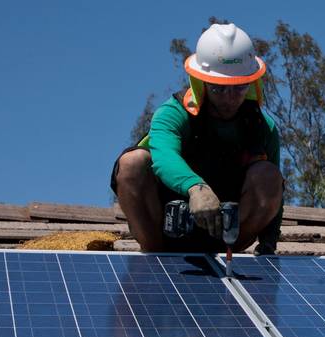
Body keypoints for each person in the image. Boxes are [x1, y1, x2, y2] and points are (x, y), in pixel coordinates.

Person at [111, 23, 282, 255]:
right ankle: (154, 254)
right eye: (219, 89)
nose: (230, 98)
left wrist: (269, 241)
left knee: (269, 175)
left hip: (227, 234)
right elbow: (164, 157)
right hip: (165, 229)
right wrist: (196, 188)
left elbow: (275, 191)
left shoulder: (263, 128)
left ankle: (225, 252)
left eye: (239, 88)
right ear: (201, 82)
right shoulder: (172, 113)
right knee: (132, 164)